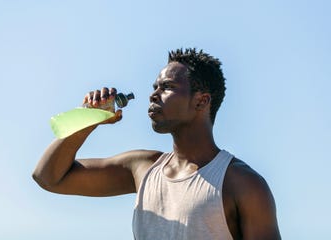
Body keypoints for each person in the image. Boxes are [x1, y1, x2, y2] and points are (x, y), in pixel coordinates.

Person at [33, 48, 281, 239]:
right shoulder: (142, 168)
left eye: (167, 87)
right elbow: (48, 177)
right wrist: (87, 119)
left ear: (201, 101)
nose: (153, 95)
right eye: (155, 87)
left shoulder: (243, 184)